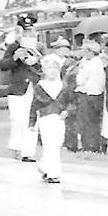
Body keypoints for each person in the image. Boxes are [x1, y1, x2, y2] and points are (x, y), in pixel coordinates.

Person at [0, 16, 41, 162]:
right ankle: (16, 147)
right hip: (17, 86)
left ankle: (28, 151)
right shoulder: (13, 46)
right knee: (18, 119)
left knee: (32, 120)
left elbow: (47, 65)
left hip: (34, 86)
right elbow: (2, 65)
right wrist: (14, 58)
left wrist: (37, 61)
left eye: (30, 31)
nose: (28, 34)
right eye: (25, 31)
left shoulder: (39, 47)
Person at [30, 51, 72, 183]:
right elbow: (34, 105)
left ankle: (44, 166)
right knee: (50, 144)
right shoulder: (40, 86)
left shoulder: (64, 86)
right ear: (44, 70)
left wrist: (67, 111)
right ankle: (54, 173)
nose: (52, 71)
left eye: (55, 68)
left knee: (57, 143)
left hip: (59, 118)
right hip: (45, 118)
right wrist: (31, 123)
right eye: (49, 68)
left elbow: (72, 102)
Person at [73, 38, 108, 155]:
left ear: (91, 52)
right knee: (94, 122)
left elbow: (80, 80)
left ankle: (89, 146)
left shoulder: (90, 64)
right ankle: (94, 145)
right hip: (97, 95)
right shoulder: (98, 62)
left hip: (88, 95)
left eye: (85, 51)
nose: (84, 53)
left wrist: (79, 70)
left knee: (87, 122)